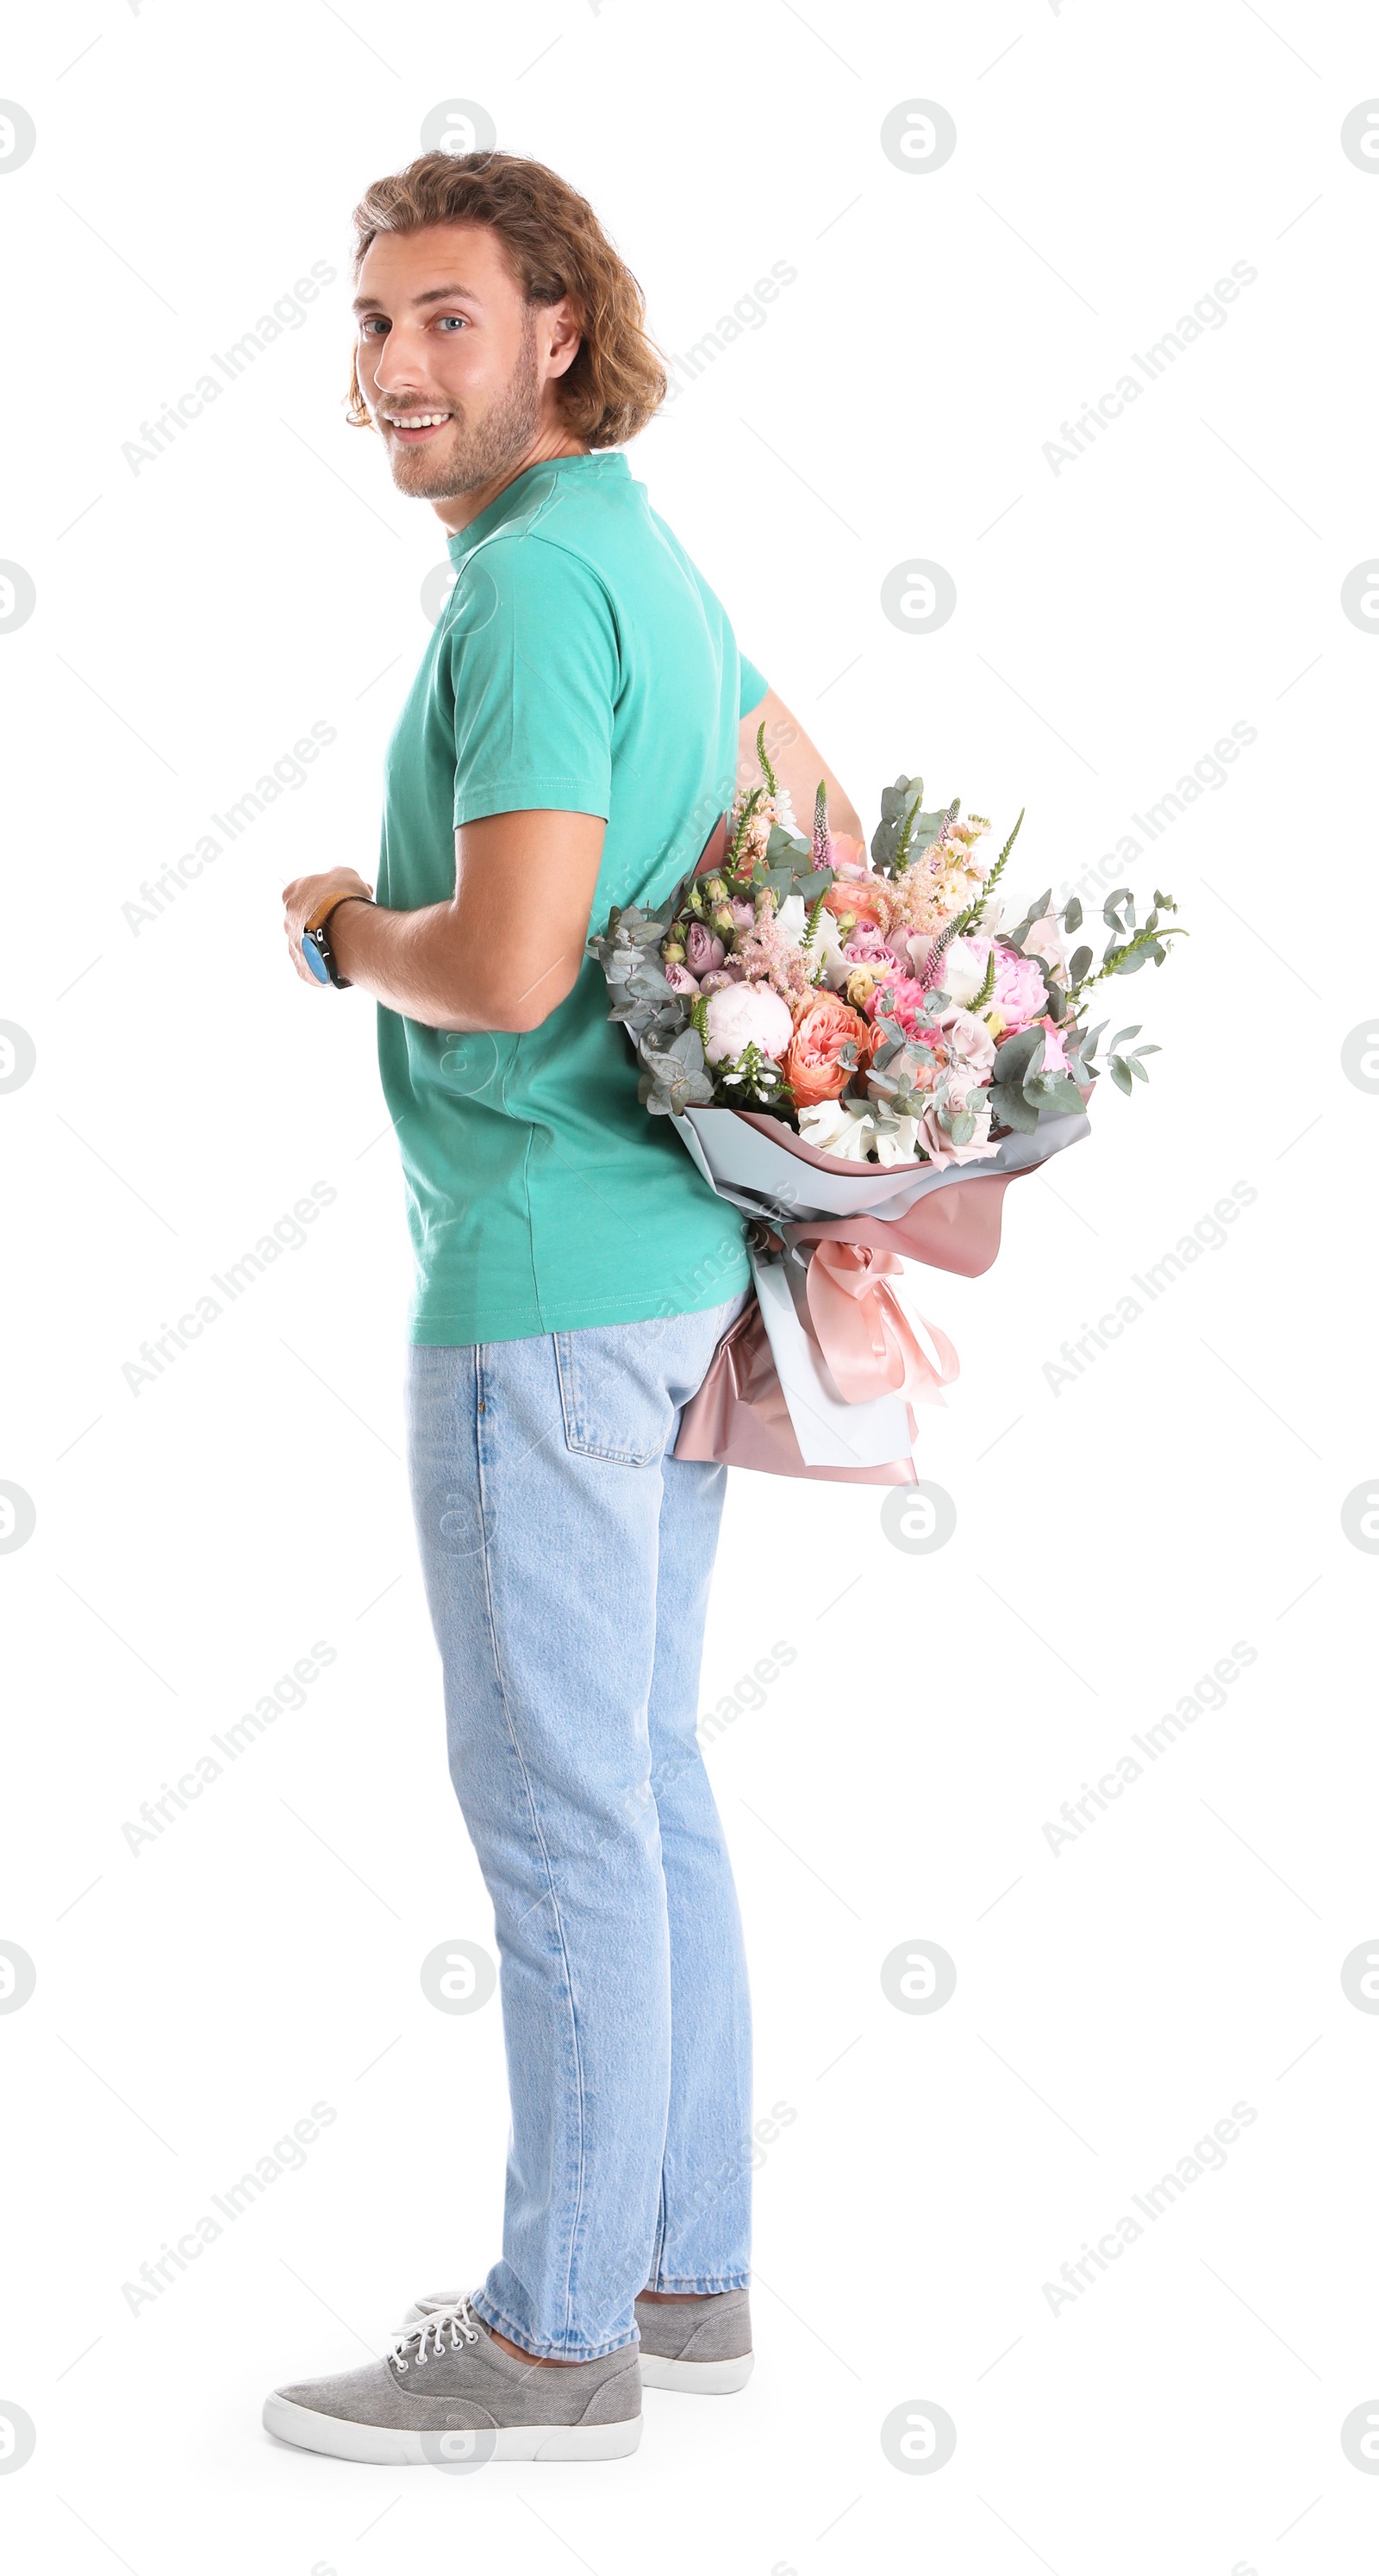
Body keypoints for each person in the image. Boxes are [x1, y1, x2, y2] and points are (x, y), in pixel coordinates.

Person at [268, 149, 861, 2465]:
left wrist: (345, 927)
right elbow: (817, 818)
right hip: (677, 1269)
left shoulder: (527, 588)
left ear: (552, 332)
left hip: (539, 1285)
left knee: (558, 1813)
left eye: (440, 322)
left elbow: (502, 963)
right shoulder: (646, 557)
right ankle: (680, 2269)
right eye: (371, 323)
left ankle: (550, 2336)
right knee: (644, 1784)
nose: (389, 369)